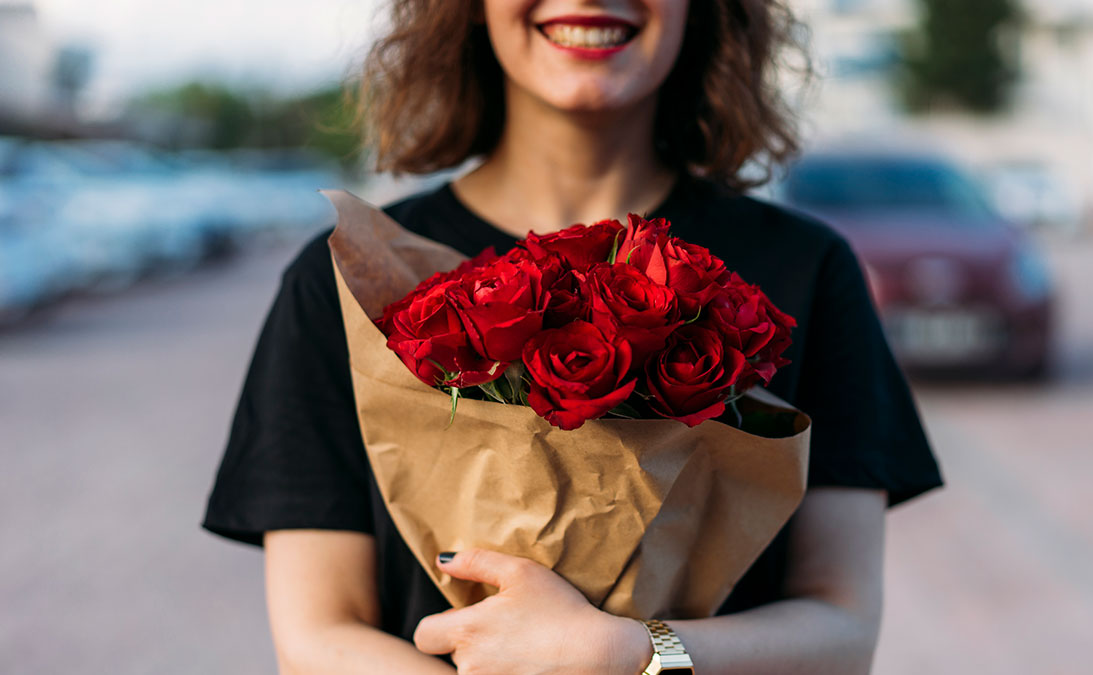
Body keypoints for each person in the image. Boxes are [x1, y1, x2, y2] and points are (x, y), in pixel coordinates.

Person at [202, 0, 944, 672]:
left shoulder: (806, 270)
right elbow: (317, 634)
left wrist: (630, 654)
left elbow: (842, 630)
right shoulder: (348, 278)